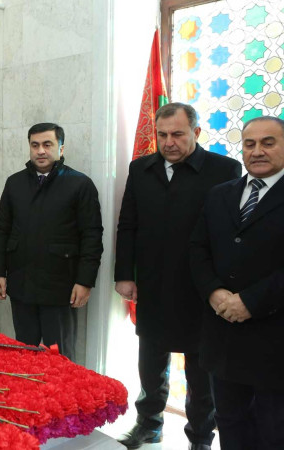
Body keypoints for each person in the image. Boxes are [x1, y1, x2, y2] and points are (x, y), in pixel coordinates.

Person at [115, 103, 240, 450]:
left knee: (200, 370)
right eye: (162, 134)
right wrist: (124, 274)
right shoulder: (141, 168)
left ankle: (200, 436)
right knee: (150, 360)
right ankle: (149, 424)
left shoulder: (224, 169)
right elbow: (128, 224)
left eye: (177, 134)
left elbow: (231, 231)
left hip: (201, 286)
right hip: (153, 282)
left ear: (196, 133)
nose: (169, 142)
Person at [190, 116, 284, 450]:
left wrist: (250, 301)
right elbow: (197, 249)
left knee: (273, 430)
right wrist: (214, 292)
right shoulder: (220, 194)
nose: (257, 151)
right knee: (229, 423)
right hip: (223, 338)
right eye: (249, 144)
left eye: (268, 143)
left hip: (274, 341)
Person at [0, 122, 103, 361]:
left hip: (61, 288)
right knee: (24, 356)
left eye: (47, 144)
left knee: (60, 358)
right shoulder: (14, 183)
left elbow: (91, 236)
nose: (40, 151)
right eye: (35, 145)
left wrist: (85, 281)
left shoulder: (80, 184)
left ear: (61, 148)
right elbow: (2, 230)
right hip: (21, 284)